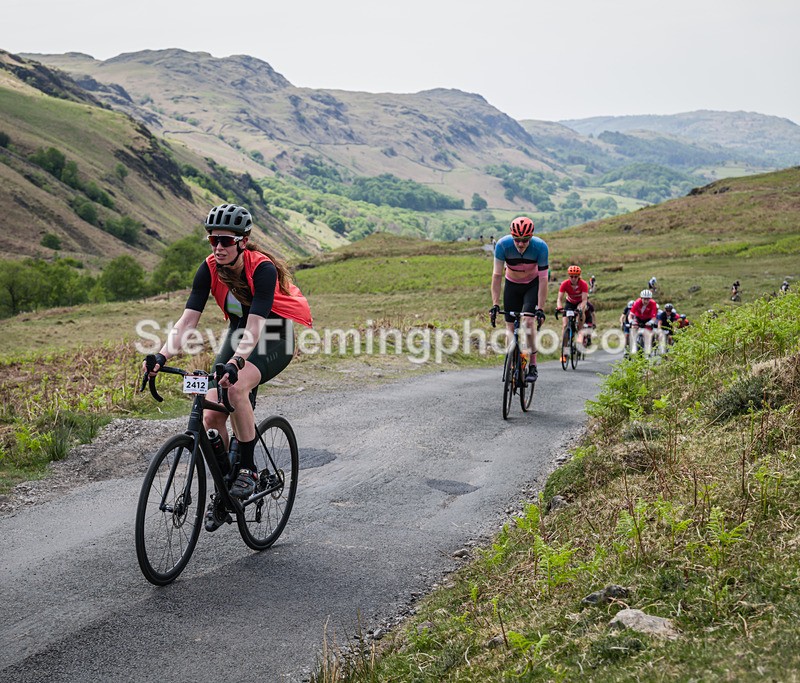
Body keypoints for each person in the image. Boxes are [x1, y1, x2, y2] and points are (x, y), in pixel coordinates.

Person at [142, 203, 313, 531]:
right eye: (212, 240)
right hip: (239, 329)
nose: (218, 247)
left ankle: (247, 470)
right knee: (211, 414)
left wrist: (237, 361)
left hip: (273, 332)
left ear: (242, 242)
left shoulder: (262, 269)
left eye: (225, 240)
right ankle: (225, 487)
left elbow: (256, 324)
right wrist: (161, 355)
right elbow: (188, 319)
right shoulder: (208, 268)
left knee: (235, 386)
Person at [490, 216, 548, 383]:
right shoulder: (502, 245)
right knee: (509, 326)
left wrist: (540, 308)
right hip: (512, 285)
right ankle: (511, 361)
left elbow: (543, 280)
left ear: (531, 237)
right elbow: (497, 275)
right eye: (517, 240)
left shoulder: (541, 247)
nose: (521, 244)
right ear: (511, 236)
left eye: (525, 240)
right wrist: (495, 304)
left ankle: (533, 365)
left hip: (532, 285)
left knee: (529, 323)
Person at [555, 265, 589, 361]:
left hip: (580, 303)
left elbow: (584, 300)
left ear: (579, 276)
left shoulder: (583, 284)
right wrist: (559, 307)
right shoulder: (565, 284)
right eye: (571, 276)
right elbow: (559, 298)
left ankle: (579, 338)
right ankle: (564, 352)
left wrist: (580, 309)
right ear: (569, 276)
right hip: (569, 303)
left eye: (575, 276)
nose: (573, 278)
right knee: (565, 325)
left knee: (580, 322)